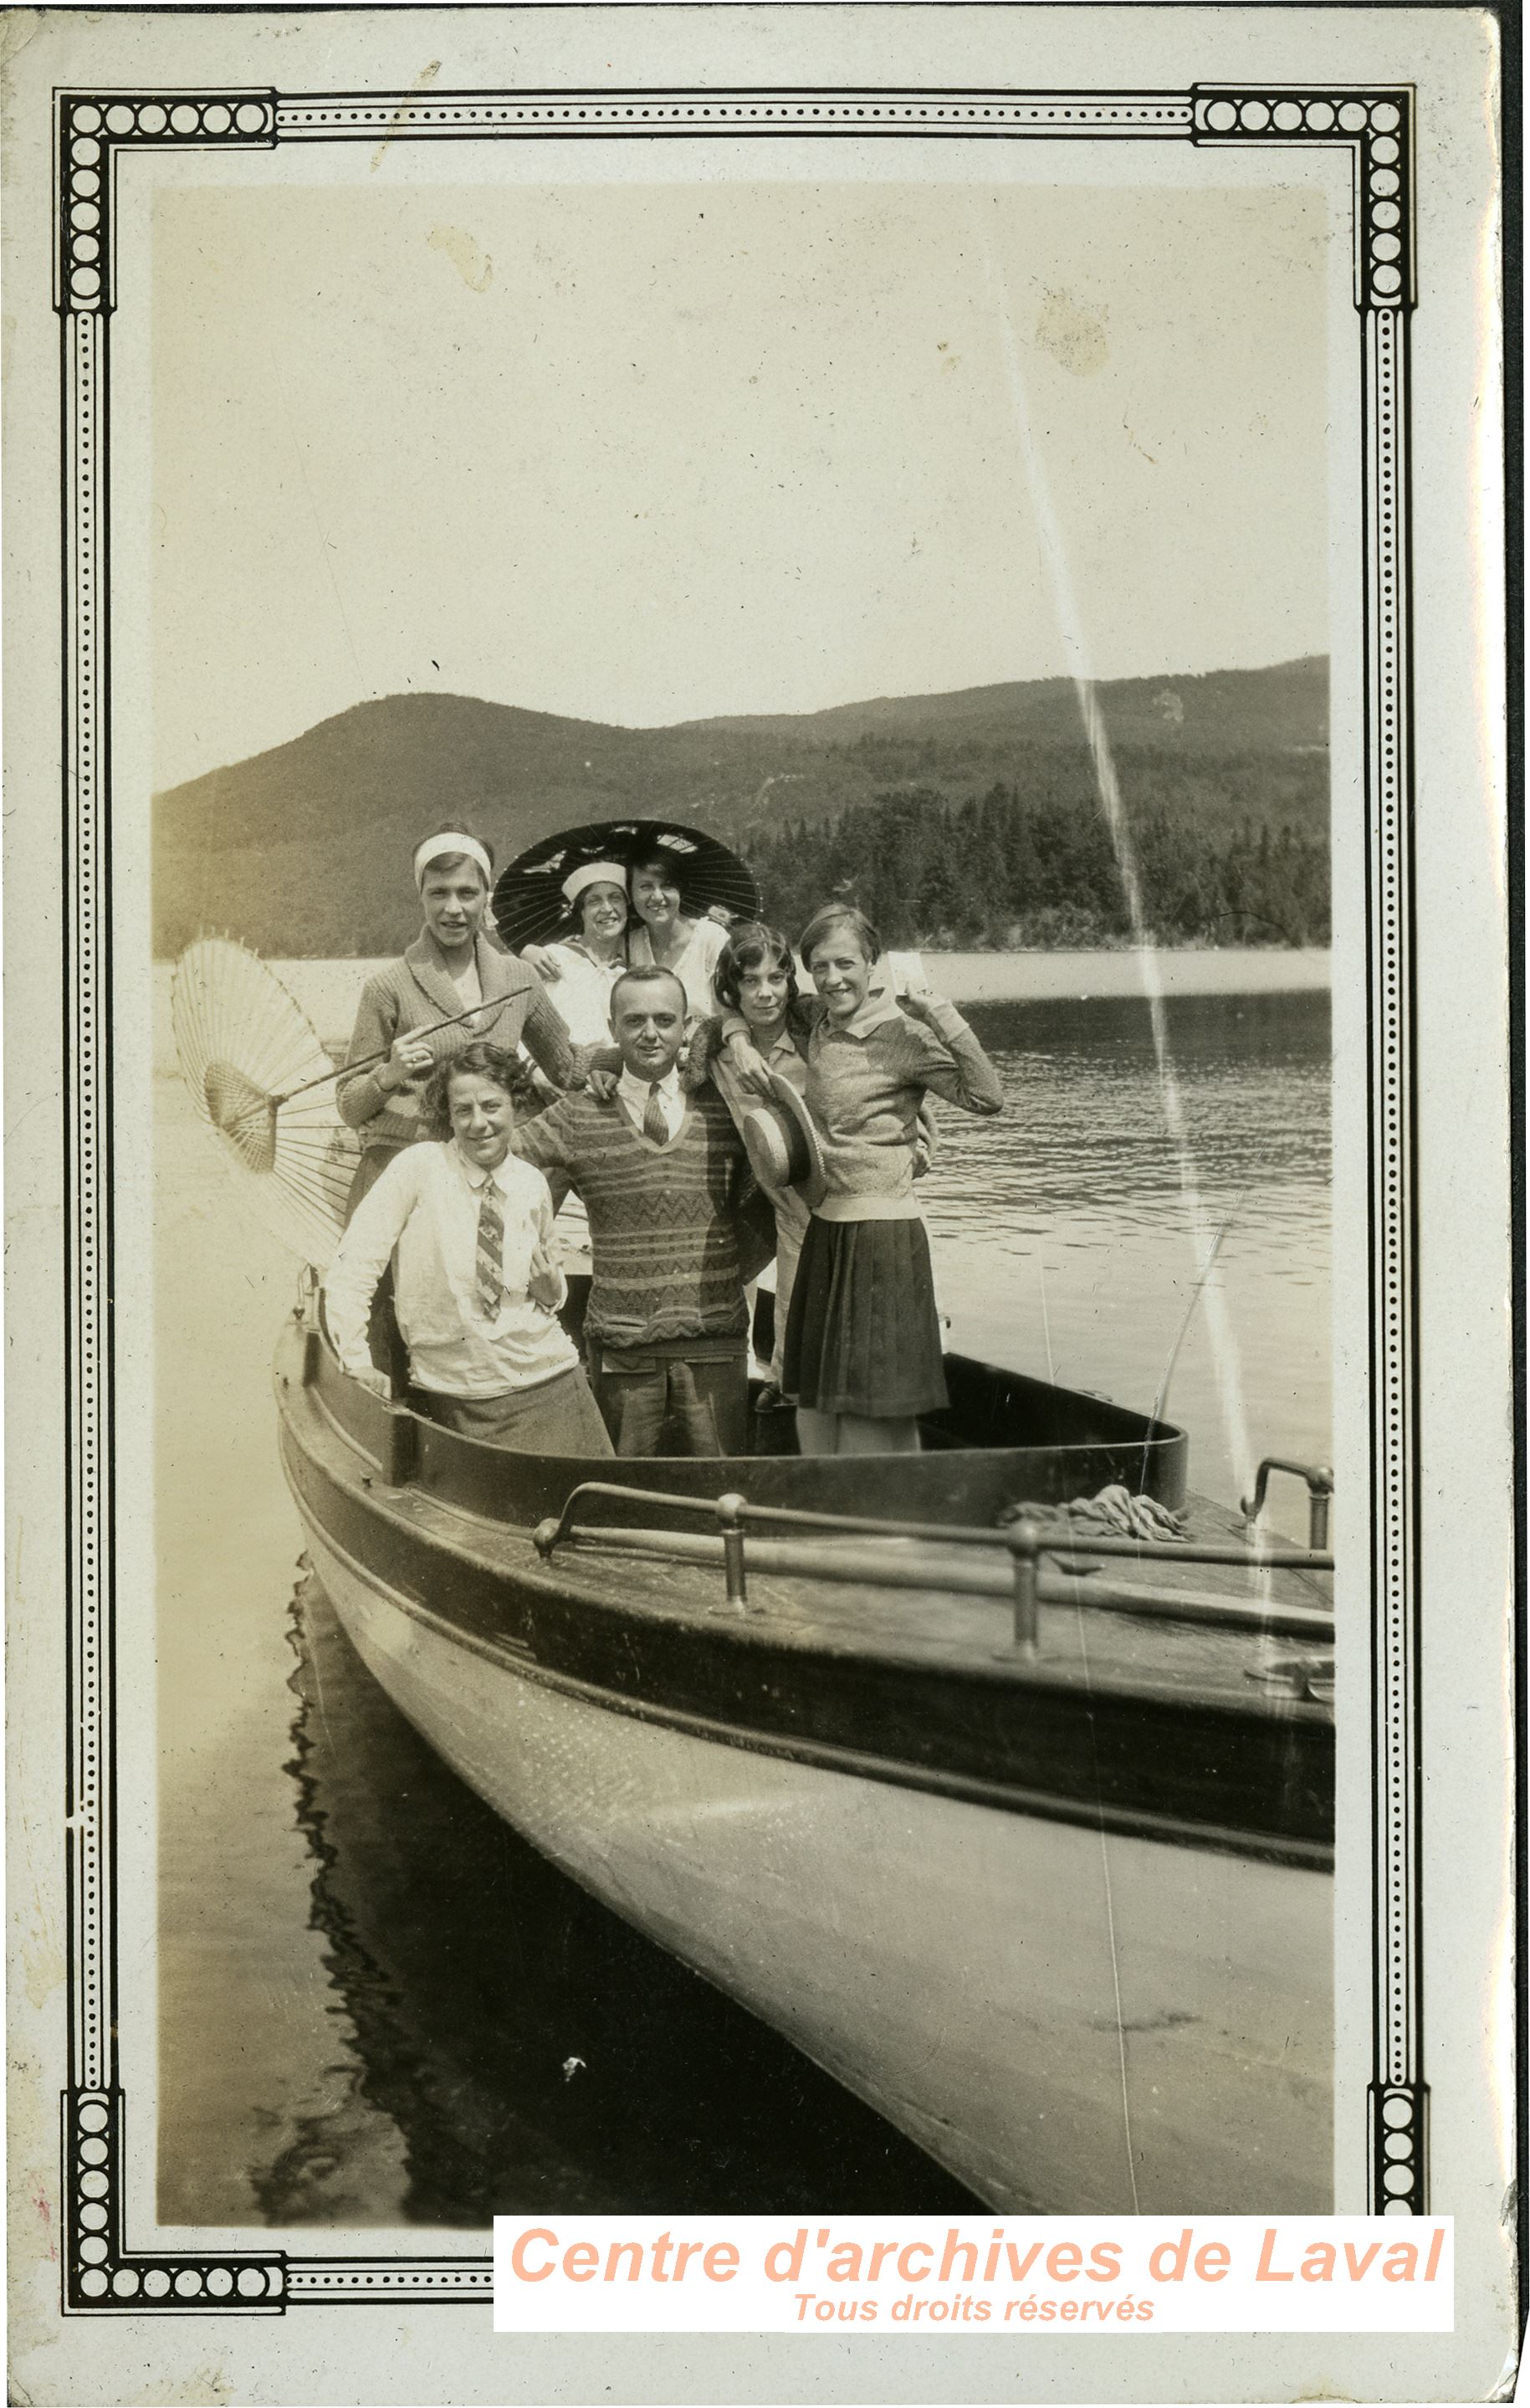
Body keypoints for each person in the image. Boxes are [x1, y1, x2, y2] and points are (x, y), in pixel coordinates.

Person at [721, 903, 1002, 1458]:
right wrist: (733, 1037)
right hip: (826, 1231)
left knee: (873, 1406)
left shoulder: (904, 1036)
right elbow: (739, 1004)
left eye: (845, 964)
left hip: (883, 1238)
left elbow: (986, 1097)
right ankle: (836, 1513)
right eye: (818, 967)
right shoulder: (816, 1022)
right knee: (814, 1399)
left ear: (872, 964)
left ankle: (890, 1520)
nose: (832, 978)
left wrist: (936, 1012)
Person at [513, 966, 775, 1457]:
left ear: (684, 1027)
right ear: (612, 1029)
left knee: (722, 1494)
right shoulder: (579, 1112)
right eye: (634, 1021)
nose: (650, 1033)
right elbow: (494, 1154)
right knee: (622, 1495)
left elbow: (787, 1170)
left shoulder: (727, 1105)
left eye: (664, 1019)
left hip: (716, 1341)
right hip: (623, 1345)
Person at [323, 1043, 613, 1456]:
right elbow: (353, 1267)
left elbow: (550, 1290)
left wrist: (554, 1289)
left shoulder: (531, 1183)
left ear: (516, 1105)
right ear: (449, 1115)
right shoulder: (419, 1167)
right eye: (463, 1110)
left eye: (492, 1106)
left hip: (551, 1381)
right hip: (455, 1393)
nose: (479, 1123)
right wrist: (355, 1360)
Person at [335, 826, 586, 1219]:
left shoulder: (519, 978)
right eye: (439, 892)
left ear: (486, 897)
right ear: (421, 895)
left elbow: (569, 1068)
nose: (453, 908)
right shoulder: (388, 987)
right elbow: (350, 1106)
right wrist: (390, 1073)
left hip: (490, 1161)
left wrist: (636, 1052)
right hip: (404, 1165)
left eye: (467, 893)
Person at [533, 860, 632, 1047]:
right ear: (582, 912)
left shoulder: (629, 972)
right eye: (594, 901)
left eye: (616, 898)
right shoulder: (555, 958)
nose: (607, 908)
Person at [626, 848, 729, 1024]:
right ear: (631, 894)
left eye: (667, 885)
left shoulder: (711, 939)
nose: (657, 896)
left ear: (680, 890)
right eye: (645, 886)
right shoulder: (629, 944)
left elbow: (732, 1011)